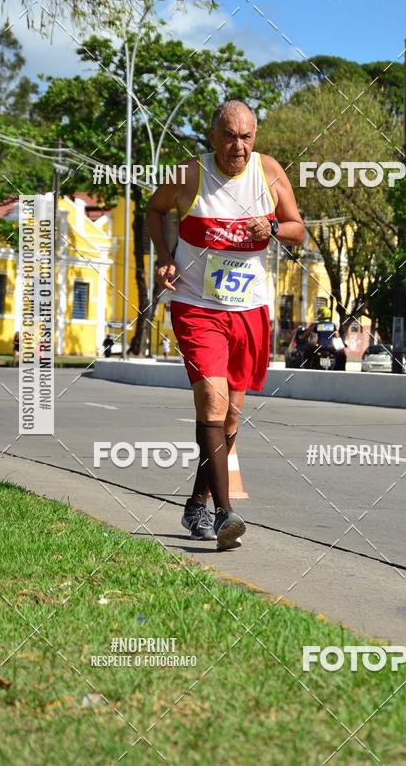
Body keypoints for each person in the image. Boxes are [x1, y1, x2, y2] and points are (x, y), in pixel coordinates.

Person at [147, 100, 304, 549]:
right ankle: (224, 513)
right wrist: (164, 257)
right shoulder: (189, 176)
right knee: (212, 406)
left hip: (249, 311)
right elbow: (154, 210)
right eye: (230, 136)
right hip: (197, 307)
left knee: (231, 417)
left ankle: (196, 501)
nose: (239, 145)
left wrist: (271, 228)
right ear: (213, 136)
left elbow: (298, 229)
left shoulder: (269, 172)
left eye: (247, 136)